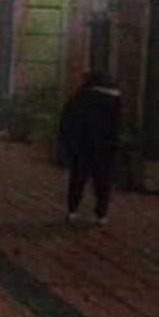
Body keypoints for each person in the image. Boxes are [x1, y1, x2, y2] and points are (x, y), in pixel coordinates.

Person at [59, 71, 122, 225]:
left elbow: (67, 120)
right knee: (103, 181)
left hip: (82, 144)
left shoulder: (81, 97)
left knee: (78, 178)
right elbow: (116, 126)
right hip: (104, 147)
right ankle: (102, 214)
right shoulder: (115, 100)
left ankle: (73, 210)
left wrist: (66, 142)